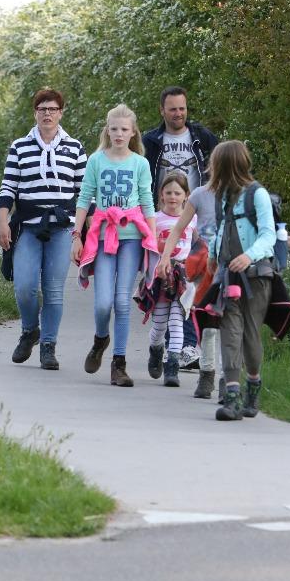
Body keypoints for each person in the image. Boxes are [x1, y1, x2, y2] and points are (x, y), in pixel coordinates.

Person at [0, 88, 87, 370]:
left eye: (52, 109)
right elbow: (9, 185)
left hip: (62, 228)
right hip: (28, 226)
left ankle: (48, 346)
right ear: (35, 113)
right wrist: (2, 220)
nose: (47, 114)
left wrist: (82, 234)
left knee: (53, 290)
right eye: (42, 109)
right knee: (24, 286)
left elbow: (84, 193)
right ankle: (29, 331)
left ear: (61, 113)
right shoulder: (19, 147)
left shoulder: (75, 147)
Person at [72, 104, 158, 387]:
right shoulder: (96, 160)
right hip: (102, 236)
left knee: (122, 301)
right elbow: (85, 198)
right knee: (102, 303)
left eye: (124, 129)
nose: (119, 134)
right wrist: (78, 235)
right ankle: (100, 340)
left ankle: (119, 364)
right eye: (114, 128)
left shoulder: (140, 164)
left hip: (132, 237)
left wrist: (153, 239)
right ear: (106, 130)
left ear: (133, 132)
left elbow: (147, 201)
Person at [142, 86, 219, 372]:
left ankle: (185, 347)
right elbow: (141, 173)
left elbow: (217, 167)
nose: (178, 114)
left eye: (182, 108)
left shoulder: (202, 137)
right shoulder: (151, 140)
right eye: (173, 109)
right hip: (162, 220)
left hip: (197, 220)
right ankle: (164, 342)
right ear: (162, 110)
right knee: (165, 286)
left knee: (190, 283)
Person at [205, 140, 276, 421]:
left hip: (256, 277)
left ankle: (254, 386)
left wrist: (248, 256)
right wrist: (213, 253)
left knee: (249, 334)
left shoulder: (257, 194)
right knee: (229, 332)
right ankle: (231, 397)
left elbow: (268, 235)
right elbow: (222, 226)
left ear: (226, 166)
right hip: (228, 277)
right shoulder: (222, 195)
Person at [158, 181, 221, 398]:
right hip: (188, 272)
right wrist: (164, 258)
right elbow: (178, 229)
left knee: (230, 325)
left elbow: (260, 228)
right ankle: (206, 373)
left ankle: (227, 381)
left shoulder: (247, 193)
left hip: (226, 268)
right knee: (206, 324)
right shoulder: (200, 195)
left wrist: (284, 241)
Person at [147, 171, 197, 387]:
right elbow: (147, 249)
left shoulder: (192, 220)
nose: (173, 197)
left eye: (178, 193)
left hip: (183, 279)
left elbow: (198, 246)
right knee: (159, 324)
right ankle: (156, 350)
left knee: (177, 322)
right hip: (160, 277)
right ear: (161, 194)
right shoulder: (155, 219)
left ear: (186, 195)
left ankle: (172, 367)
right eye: (168, 192)